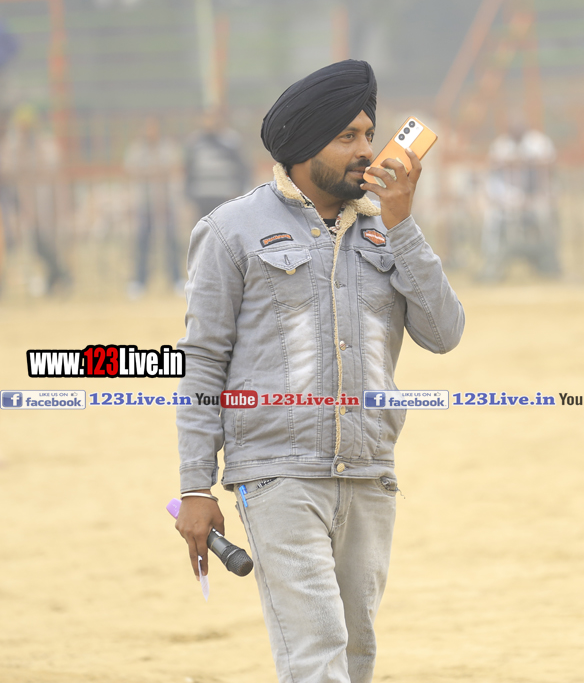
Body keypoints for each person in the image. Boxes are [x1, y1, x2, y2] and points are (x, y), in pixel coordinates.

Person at [173, 59, 465, 683]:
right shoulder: (230, 231)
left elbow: (444, 334)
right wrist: (196, 487)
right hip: (277, 473)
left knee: (355, 654)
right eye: (347, 137)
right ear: (305, 147)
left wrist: (403, 224)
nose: (366, 151)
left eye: (369, 134)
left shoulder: (388, 228)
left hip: (369, 472)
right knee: (317, 650)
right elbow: (200, 364)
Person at [0, 104, 70, 295]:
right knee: (21, 243)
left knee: (45, 242)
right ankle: (57, 276)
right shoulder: (11, 147)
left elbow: (54, 168)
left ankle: (58, 276)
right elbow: (5, 170)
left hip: (44, 201)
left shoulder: (45, 144)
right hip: (19, 202)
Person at [478, 119, 560, 281]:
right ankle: (491, 263)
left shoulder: (539, 143)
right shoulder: (500, 145)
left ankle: (550, 262)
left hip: (537, 197)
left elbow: (550, 171)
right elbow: (493, 179)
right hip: (507, 201)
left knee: (546, 217)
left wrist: (536, 196)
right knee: (491, 219)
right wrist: (508, 198)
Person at [124, 115, 183, 298]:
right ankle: (140, 281)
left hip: (166, 202)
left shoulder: (168, 147)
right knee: (143, 243)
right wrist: (153, 172)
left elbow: (174, 167)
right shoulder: (136, 149)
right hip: (145, 203)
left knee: (171, 241)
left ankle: (176, 278)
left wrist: (154, 172)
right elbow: (131, 170)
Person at [183, 106, 249, 221]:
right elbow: (188, 170)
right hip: (202, 196)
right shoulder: (194, 142)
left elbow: (243, 169)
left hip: (225, 196)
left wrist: (239, 191)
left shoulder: (231, 141)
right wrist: (188, 195)